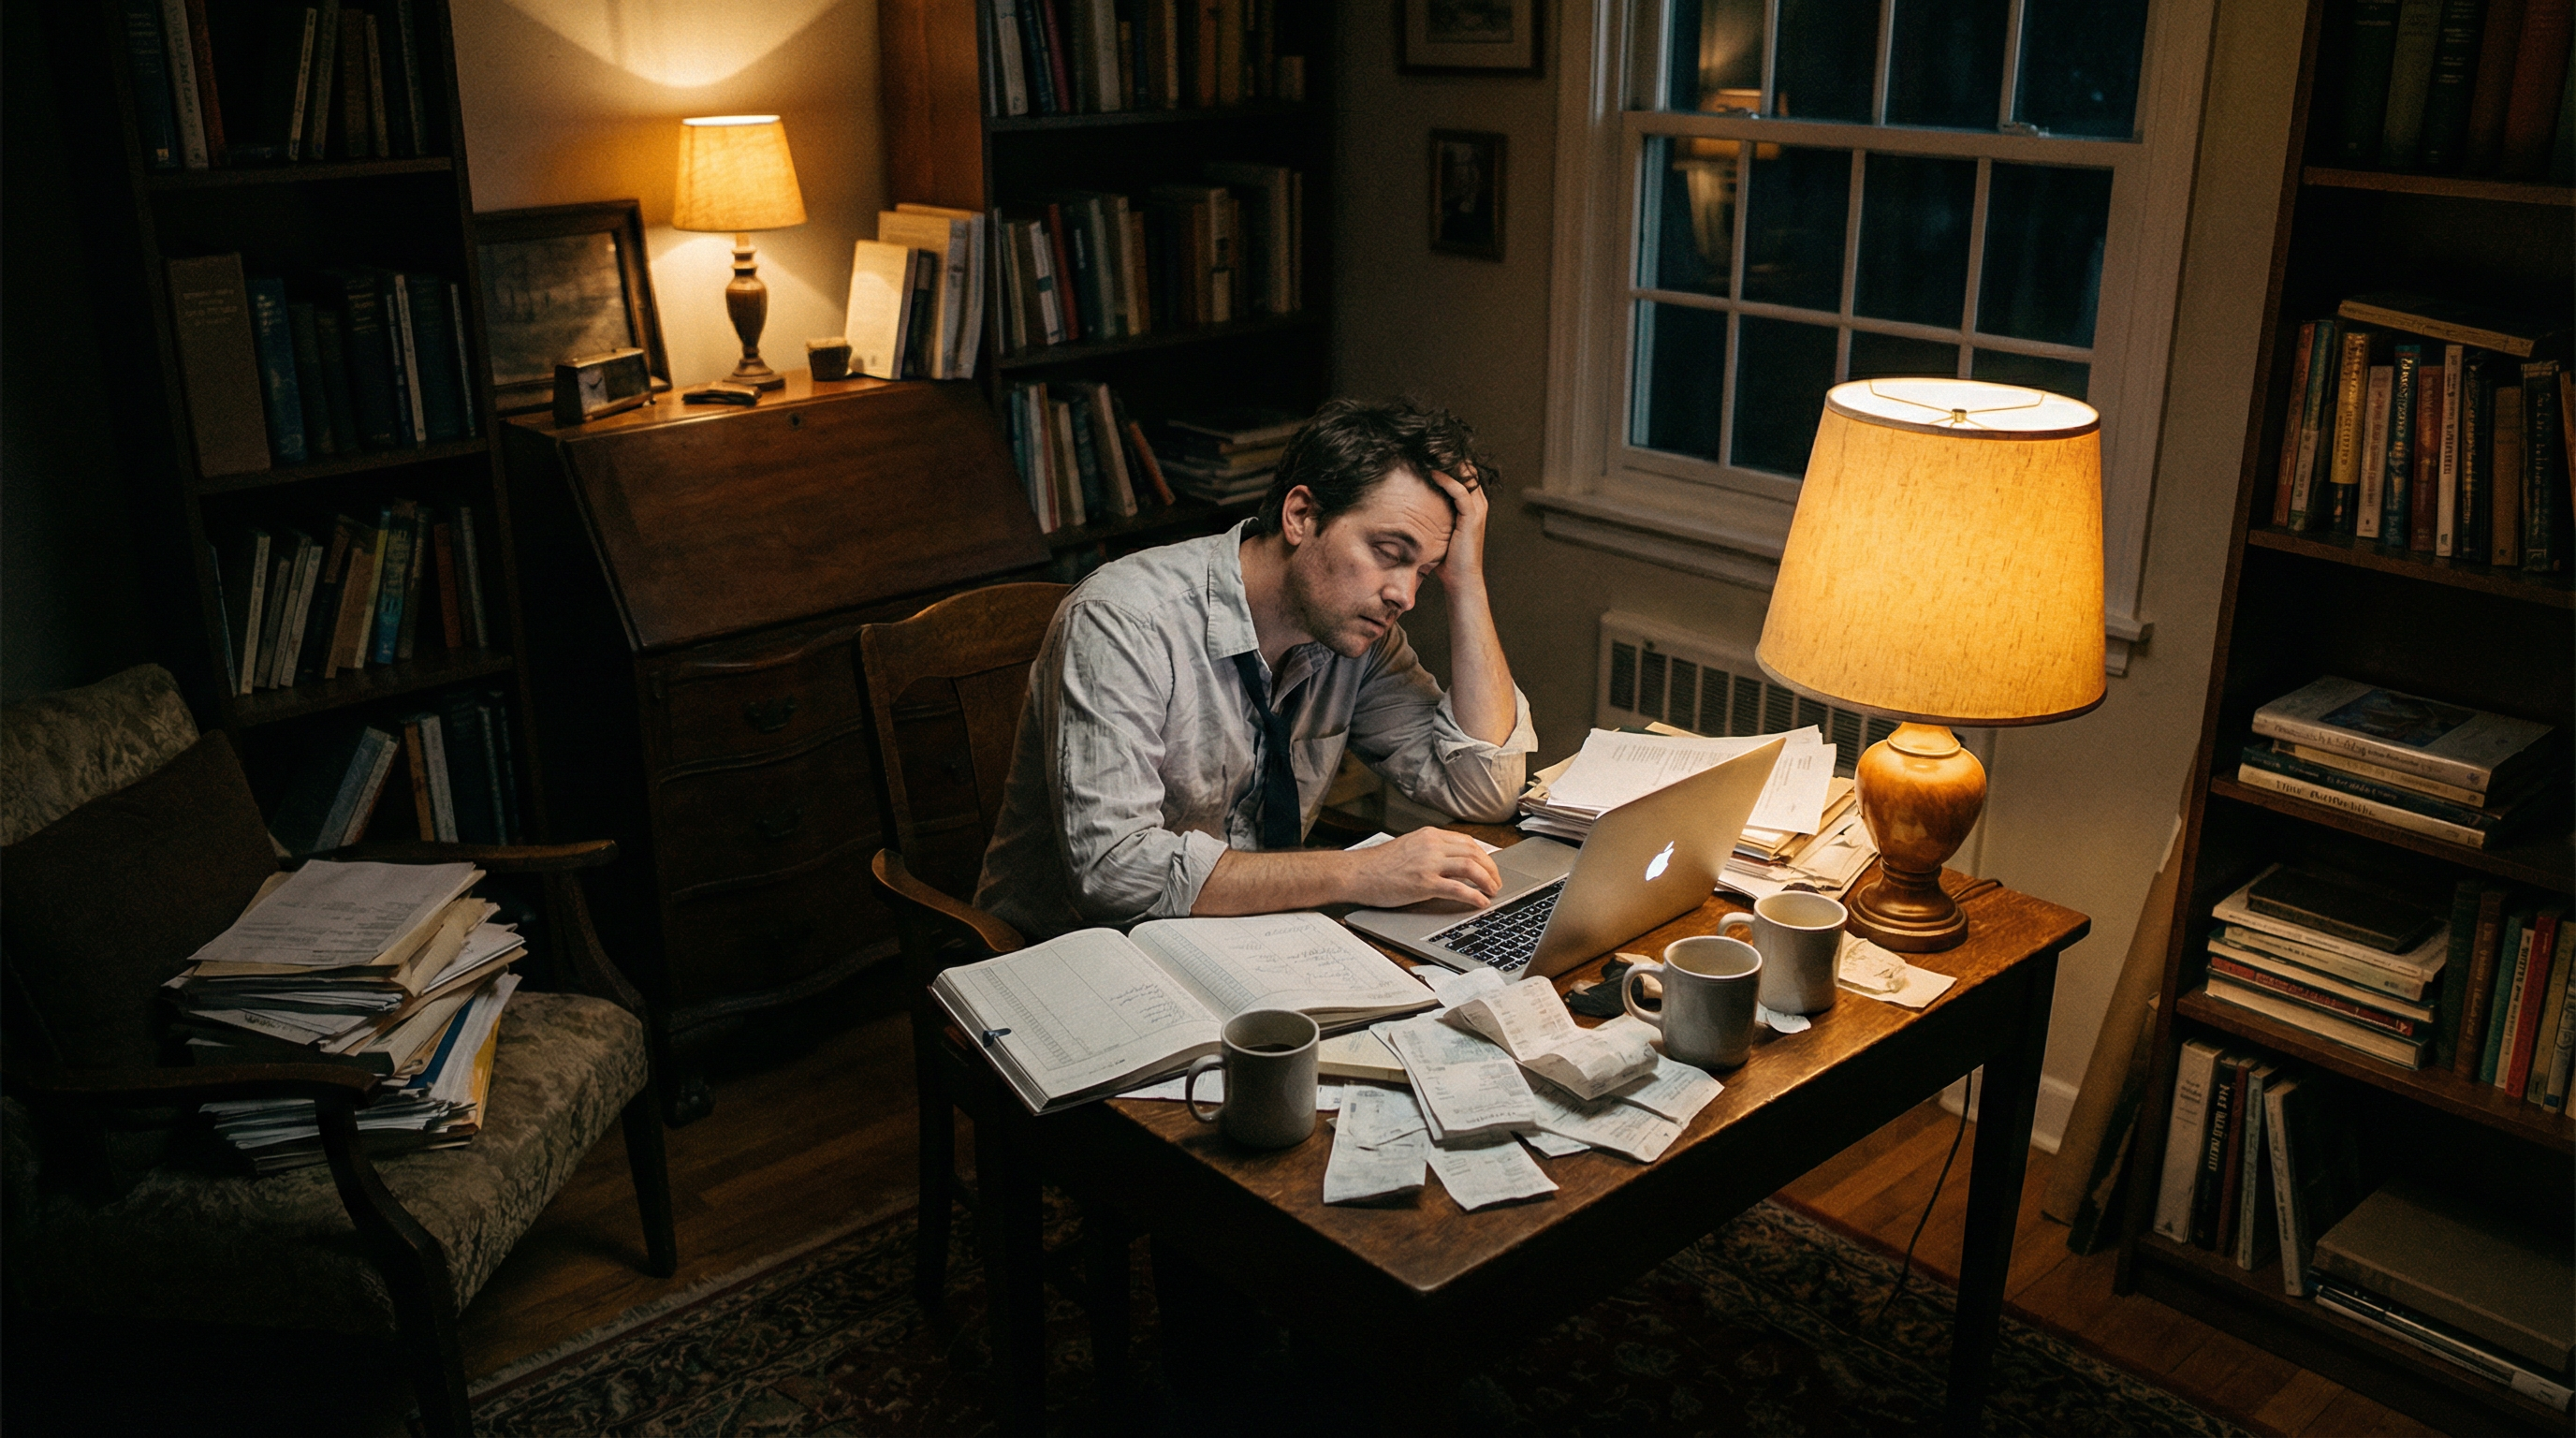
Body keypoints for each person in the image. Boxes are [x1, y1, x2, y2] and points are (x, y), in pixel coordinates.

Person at [974, 396, 1536, 940]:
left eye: (1426, 570)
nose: (1404, 595)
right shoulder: (1123, 620)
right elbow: (1115, 873)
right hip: (1070, 956)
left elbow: (1486, 791)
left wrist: (1466, 582)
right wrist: (1357, 873)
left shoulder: (1358, 638)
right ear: (1301, 515)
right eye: (1390, 553)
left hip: (1254, 940)